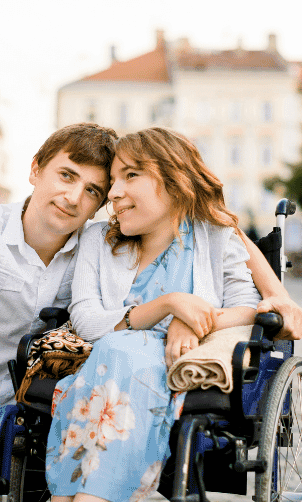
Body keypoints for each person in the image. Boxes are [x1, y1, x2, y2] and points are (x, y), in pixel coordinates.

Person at [0, 80, 302, 502]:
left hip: (51, 409)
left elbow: (220, 240)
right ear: (35, 170)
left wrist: (268, 297)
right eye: (67, 176)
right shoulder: (24, 233)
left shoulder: (129, 242)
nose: (80, 198)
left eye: (96, 189)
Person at [46, 127, 261, 502]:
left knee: (124, 352)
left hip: (168, 368)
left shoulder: (215, 237)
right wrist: (168, 304)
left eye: (131, 176)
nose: (113, 194)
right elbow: (86, 320)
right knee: (118, 349)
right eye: (113, 181)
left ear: (175, 180)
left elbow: (248, 309)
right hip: (104, 367)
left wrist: (190, 319)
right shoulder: (97, 240)